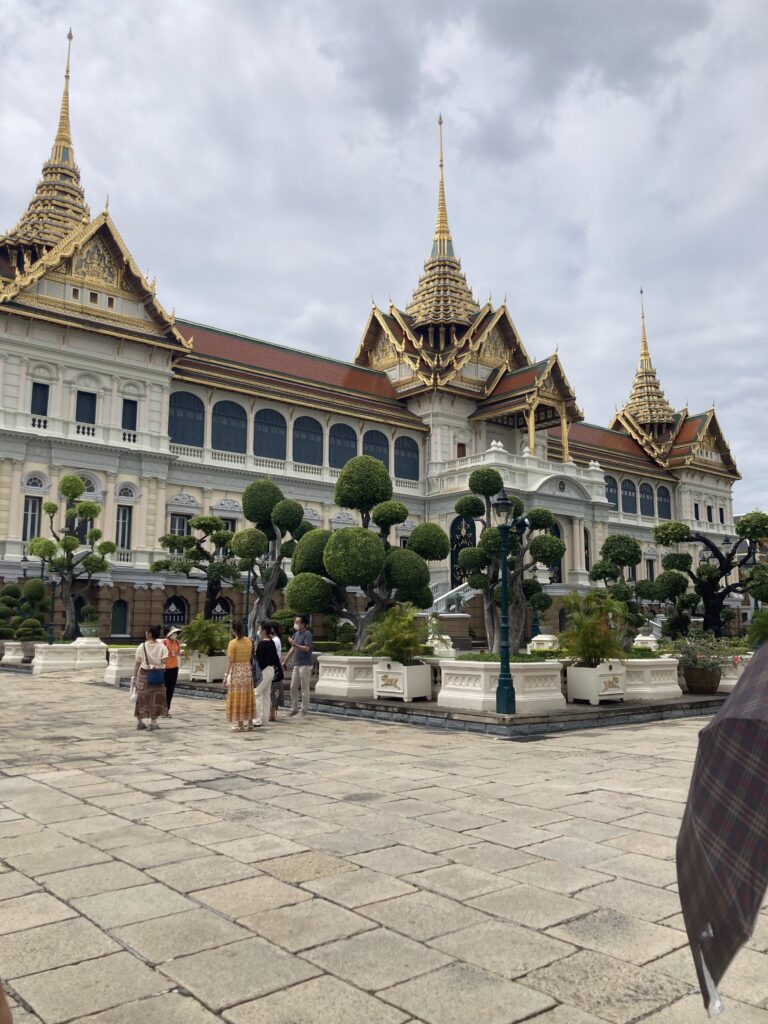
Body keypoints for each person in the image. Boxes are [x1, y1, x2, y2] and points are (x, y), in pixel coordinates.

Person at [132, 626, 168, 731]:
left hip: (144, 675)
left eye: (147, 632)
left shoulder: (141, 646)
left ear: (150, 634)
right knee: (156, 698)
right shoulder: (162, 647)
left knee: (142, 698)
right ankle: (153, 722)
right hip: (157, 675)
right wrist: (156, 664)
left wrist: (134, 677)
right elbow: (165, 661)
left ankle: (140, 722)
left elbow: (137, 663)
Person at [224, 621, 255, 733]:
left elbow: (230, 660)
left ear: (233, 630)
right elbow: (251, 655)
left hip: (237, 671)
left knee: (238, 696)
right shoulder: (249, 641)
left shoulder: (233, 643)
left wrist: (226, 674)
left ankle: (240, 724)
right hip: (247, 670)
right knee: (248, 696)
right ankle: (250, 723)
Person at [284, 613, 313, 717]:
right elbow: (293, 648)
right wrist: (285, 660)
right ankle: (294, 709)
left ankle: (304, 710)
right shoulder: (296, 634)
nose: (295, 623)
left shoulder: (307, 634)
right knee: (293, 687)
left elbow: (306, 648)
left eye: (297, 622)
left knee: (304, 688)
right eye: (295, 621)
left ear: (303, 624)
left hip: (305, 665)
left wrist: (294, 644)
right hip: (297, 664)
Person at [254, 622, 281, 726]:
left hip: (263, 671)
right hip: (271, 670)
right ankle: (264, 719)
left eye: (260, 629)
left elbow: (258, 660)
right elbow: (275, 658)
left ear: (264, 631)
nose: (259, 632)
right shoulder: (272, 643)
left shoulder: (262, 644)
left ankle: (256, 719)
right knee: (266, 695)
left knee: (257, 693)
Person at [162, 626, 181, 716]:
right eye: (173, 633)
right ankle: (161, 708)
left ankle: (167, 709)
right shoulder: (164, 643)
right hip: (165, 669)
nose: (175, 635)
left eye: (176, 633)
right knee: (162, 689)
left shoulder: (177, 642)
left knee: (170, 690)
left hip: (174, 668)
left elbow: (178, 653)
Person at [268, 620, 283, 722]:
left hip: (274, 667)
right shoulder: (275, 639)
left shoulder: (275, 640)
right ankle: (271, 713)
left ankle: (272, 713)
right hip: (275, 666)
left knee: (272, 690)